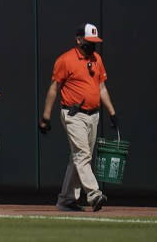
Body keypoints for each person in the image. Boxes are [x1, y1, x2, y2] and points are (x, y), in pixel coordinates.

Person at [39, 23, 117, 212]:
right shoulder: (65, 60)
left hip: (93, 115)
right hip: (73, 114)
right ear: (79, 39)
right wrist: (46, 116)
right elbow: (54, 88)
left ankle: (66, 200)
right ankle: (94, 193)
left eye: (94, 42)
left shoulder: (97, 59)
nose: (92, 46)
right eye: (89, 41)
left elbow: (102, 88)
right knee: (83, 155)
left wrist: (112, 112)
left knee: (80, 158)